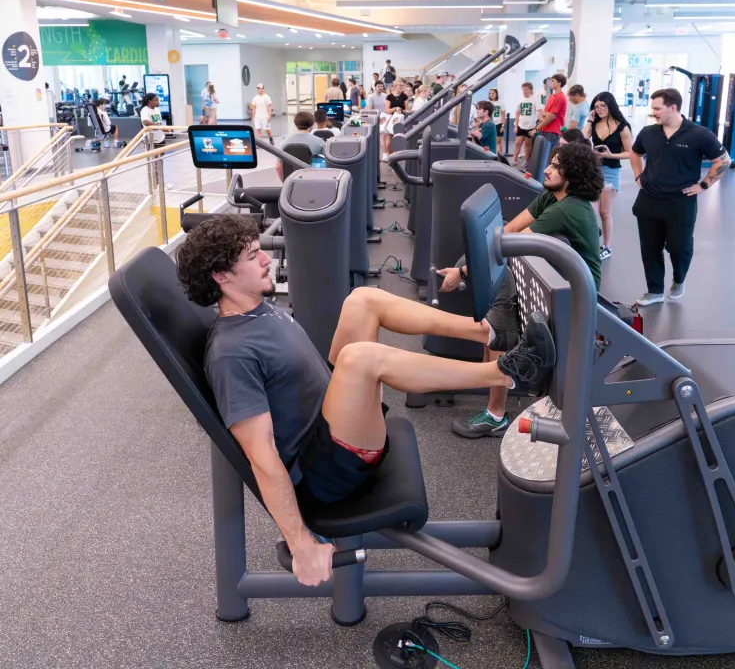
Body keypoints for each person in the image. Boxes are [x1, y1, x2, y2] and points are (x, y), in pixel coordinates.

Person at [176, 217, 552, 587]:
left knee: (363, 300)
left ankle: (487, 331)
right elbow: (261, 456)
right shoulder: (231, 355)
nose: (266, 260)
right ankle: (510, 373)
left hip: (328, 411)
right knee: (361, 357)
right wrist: (300, 542)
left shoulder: (254, 307)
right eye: (253, 256)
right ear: (221, 277)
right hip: (327, 469)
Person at [437, 142, 603, 438]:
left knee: (499, 319)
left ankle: (496, 414)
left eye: (557, 165)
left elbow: (508, 245)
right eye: (550, 162)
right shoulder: (551, 197)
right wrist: (467, 266)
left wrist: (462, 272)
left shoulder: (568, 208)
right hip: (549, 281)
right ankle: (496, 396)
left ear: (574, 173)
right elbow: (509, 232)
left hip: (575, 299)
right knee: (494, 296)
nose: (548, 169)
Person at [630, 88, 730, 306]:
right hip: (649, 198)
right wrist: (638, 174)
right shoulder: (648, 133)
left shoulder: (699, 134)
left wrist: (704, 185)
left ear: (672, 107)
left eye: (657, 108)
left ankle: (679, 278)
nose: (653, 112)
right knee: (650, 247)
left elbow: (723, 160)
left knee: (679, 247)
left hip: (680, 201)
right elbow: (635, 153)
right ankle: (655, 290)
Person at [584, 92, 633, 261]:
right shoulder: (594, 122)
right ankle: (589, 244)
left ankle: (607, 246)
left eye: (602, 106)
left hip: (611, 171)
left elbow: (630, 153)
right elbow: (582, 138)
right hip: (593, 170)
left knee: (605, 212)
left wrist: (611, 155)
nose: (599, 110)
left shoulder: (622, 127)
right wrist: (590, 120)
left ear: (610, 105)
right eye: (596, 107)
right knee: (590, 211)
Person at [276, 112, 326, 182]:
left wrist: (285, 183)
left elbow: (278, 167)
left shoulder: (284, 143)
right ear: (312, 125)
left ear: (296, 124)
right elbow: (324, 166)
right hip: (313, 182)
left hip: (291, 183)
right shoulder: (319, 142)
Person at [535, 73, 567, 147]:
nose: (551, 83)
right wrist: (547, 114)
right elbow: (544, 113)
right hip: (545, 128)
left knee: (550, 153)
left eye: (553, 81)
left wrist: (537, 128)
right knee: (543, 153)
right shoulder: (551, 96)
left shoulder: (560, 97)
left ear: (559, 83)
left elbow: (551, 116)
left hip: (553, 130)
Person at [382, 81, 409, 160]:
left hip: (400, 119)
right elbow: (386, 110)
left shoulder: (404, 96)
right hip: (391, 119)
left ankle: (397, 157)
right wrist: (394, 108)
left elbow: (407, 109)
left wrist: (402, 110)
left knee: (398, 139)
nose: (401, 87)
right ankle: (390, 156)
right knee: (389, 140)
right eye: (399, 85)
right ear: (394, 86)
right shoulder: (389, 97)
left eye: (402, 85)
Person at [512, 82, 538, 165]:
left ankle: (526, 161)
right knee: (517, 143)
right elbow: (517, 114)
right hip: (521, 125)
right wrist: (516, 126)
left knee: (527, 145)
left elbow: (539, 112)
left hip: (530, 126)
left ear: (530, 90)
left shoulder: (535, 99)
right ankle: (514, 160)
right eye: (523, 89)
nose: (524, 91)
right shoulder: (520, 99)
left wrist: (536, 127)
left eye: (526, 89)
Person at [488, 87, 505, 154]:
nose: (491, 95)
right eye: (490, 93)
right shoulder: (488, 102)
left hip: (499, 124)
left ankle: (499, 156)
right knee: (490, 141)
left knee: (498, 141)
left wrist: (503, 125)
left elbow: (503, 115)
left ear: (496, 94)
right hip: (490, 124)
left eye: (493, 93)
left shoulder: (501, 102)